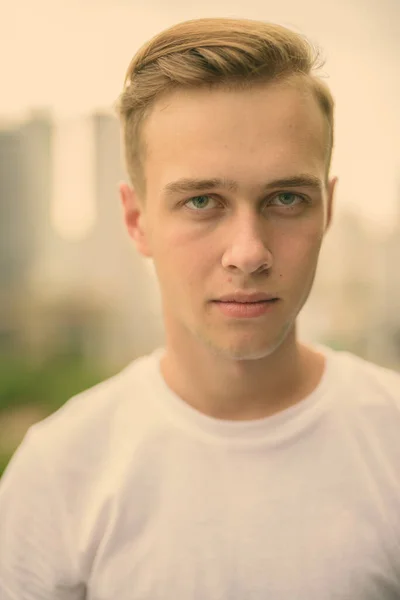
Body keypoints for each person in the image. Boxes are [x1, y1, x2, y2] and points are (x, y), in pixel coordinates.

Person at [0, 17, 399, 600]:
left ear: (328, 208)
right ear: (137, 221)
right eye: (202, 201)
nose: (249, 253)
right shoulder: (58, 475)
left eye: (286, 198)